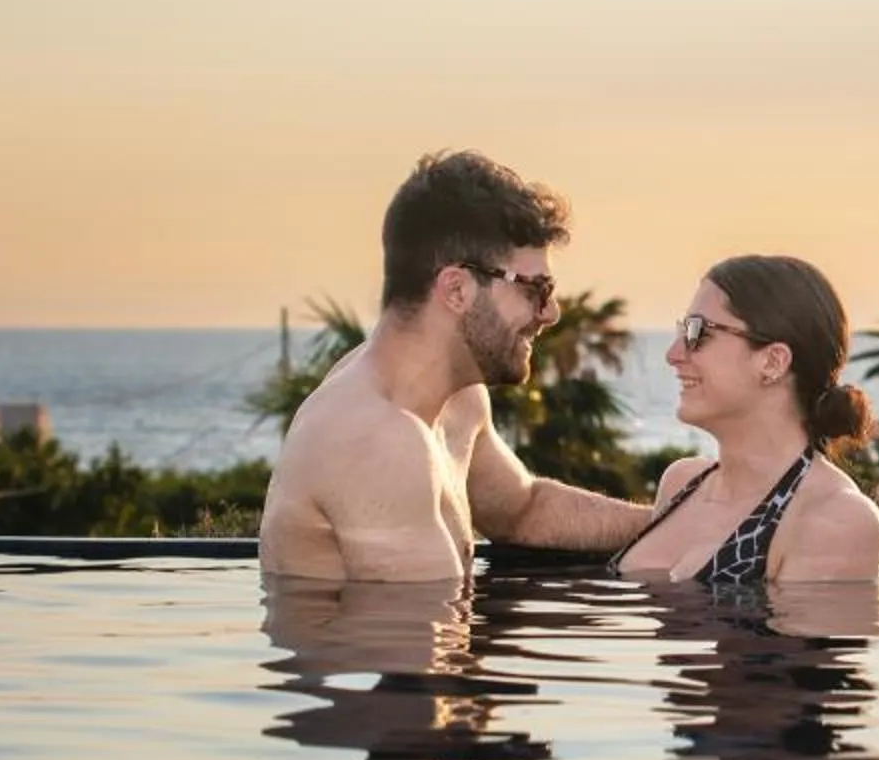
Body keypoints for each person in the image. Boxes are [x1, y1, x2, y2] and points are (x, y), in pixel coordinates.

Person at [260, 150, 656, 580]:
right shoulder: (374, 439)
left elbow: (523, 512)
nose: (551, 313)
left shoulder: (460, 402)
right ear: (457, 290)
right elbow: (422, 641)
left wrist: (687, 523)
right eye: (535, 289)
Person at [612, 255, 879, 586]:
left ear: (772, 362)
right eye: (683, 330)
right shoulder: (682, 482)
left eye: (698, 332)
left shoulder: (834, 519)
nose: (673, 353)